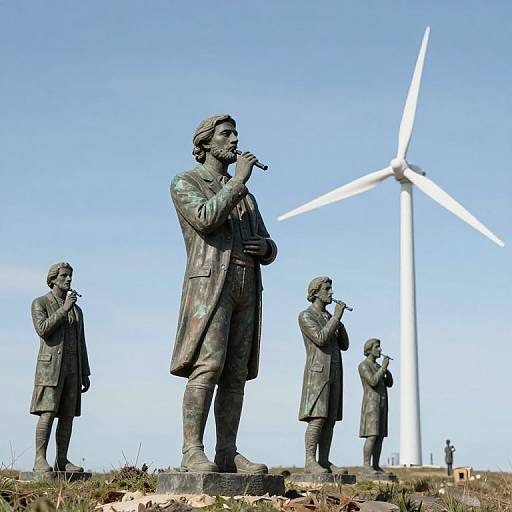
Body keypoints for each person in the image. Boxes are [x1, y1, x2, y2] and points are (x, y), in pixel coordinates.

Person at [170, 114, 277, 474]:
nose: (234, 140)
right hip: (211, 286)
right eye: (226, 134)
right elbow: (204, 218)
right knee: (208, 365)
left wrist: (266, 247)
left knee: (235, 373)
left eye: (235, 134)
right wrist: (239, 184)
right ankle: (192, 450)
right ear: (205, 144)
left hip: (247, 286)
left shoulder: (246, 195)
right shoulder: (186, 182)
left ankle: (227, 451)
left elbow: (269, 242)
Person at [30, 262, 90, 472]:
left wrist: (85, 372)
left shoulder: (78, 311)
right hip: (51, 368)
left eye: (70, 276)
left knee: (67, 415)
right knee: (47, 412)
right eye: (64, 276)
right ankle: (40, 459)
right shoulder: (40, 303)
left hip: (73, 368)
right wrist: (64, 309)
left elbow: (81, 341)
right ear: (53, 279)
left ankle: (62, 459)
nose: (69, 279)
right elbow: (43, 329)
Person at [298, 276, 349, 474]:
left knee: (330, 419)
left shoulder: (330, 317)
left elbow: (344, 345)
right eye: (327, 289)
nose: (331, 293)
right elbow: (320, 339)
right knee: (317, 418)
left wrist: (338, 322)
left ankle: (324, 460)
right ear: (316, 292)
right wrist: (335, 318)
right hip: (318, 374)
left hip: (335, 372)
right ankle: (310, 461)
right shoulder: (306, 316)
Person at [358, 338, 393, 472]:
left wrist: (386, 370)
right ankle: (367, 465)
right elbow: (372, 381)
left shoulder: (378, 367)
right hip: (371, 404)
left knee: (380, 436)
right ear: (369, 350)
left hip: (382, 403)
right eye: (377, 347)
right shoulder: (363, 365)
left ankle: (376, 465)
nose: (380, 349)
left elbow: (389, 383)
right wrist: (383, 368)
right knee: (372, 435)